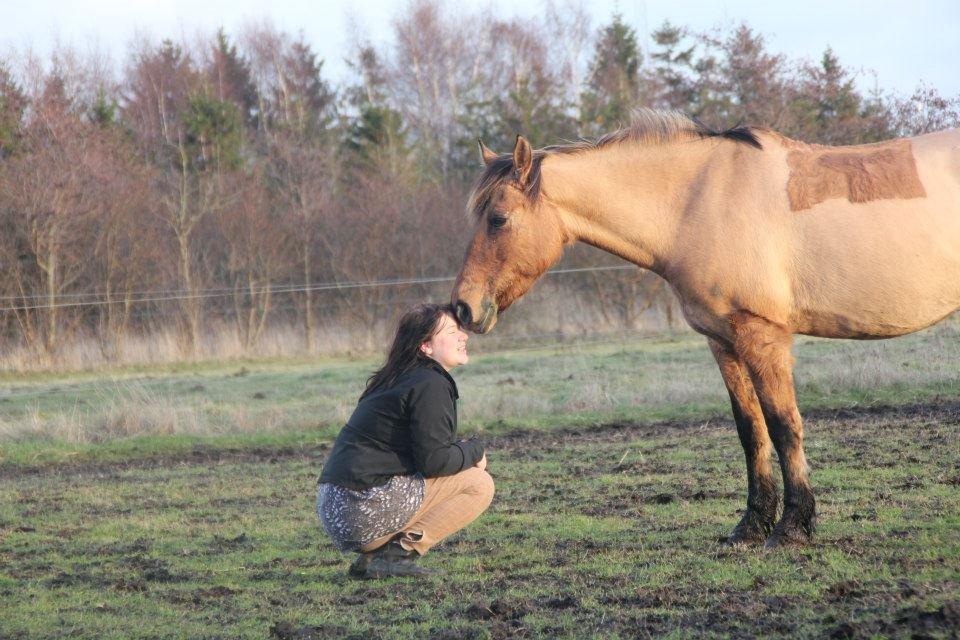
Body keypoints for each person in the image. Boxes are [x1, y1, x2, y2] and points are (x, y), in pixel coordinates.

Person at [317, 303, 494, 578]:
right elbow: (434, 461)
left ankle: (372, 558)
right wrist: (474, 450)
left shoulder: (399, 377)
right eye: (452, 331)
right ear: (426, 346)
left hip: (336, 507)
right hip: (360, 509)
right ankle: (395, 556)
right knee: (478, 483)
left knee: (451, 470)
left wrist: (463, 449)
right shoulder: (429, 383)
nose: (464, 336)